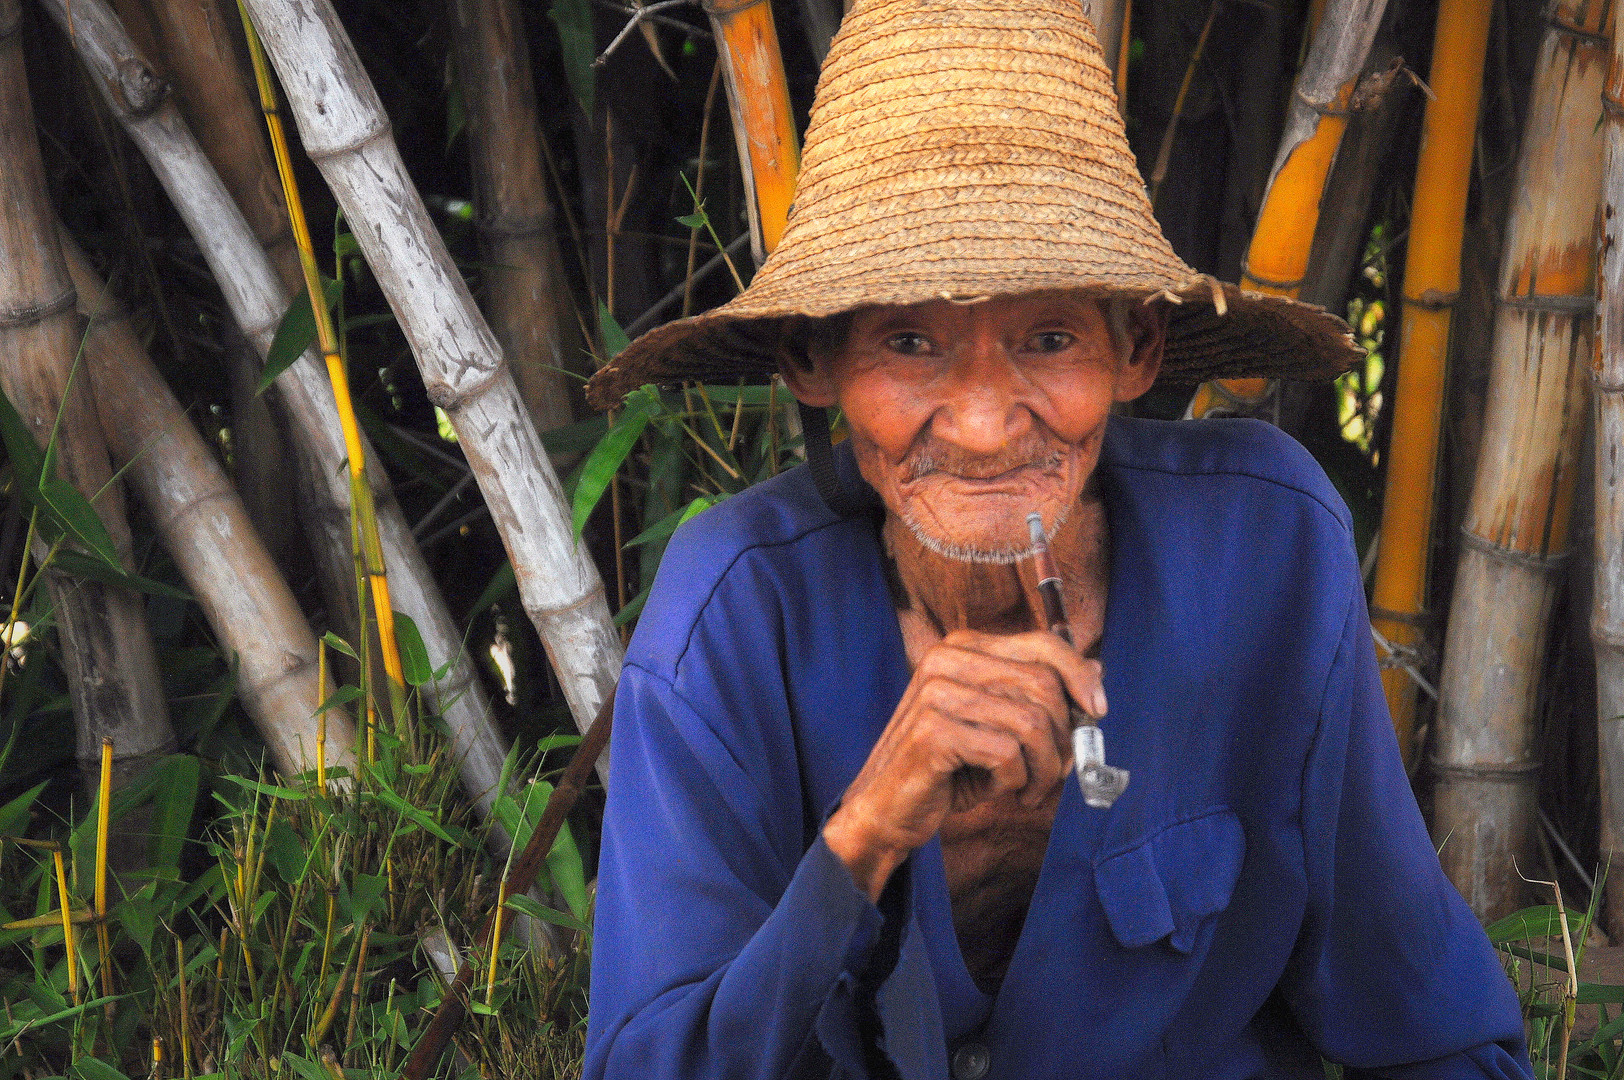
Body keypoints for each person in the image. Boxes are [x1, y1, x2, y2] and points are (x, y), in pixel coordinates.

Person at [581, 1, 1533, 1076]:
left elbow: (1419, 1014)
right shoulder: (733, 609)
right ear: (814, 362)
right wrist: (867, 835)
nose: (986, 426)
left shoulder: (1265, 550)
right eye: (907, 341)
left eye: (1048, 338)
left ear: (1137, 347)